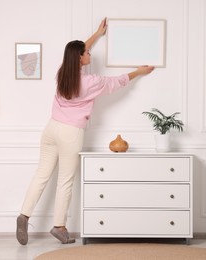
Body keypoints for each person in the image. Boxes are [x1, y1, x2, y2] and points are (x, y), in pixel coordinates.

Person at [16, 18, 155, 245]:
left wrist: (97, 34)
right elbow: (117, 81)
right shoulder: (90, 81)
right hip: (71, 132)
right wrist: (138, 72)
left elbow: (76, 50)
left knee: (41, 175)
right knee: (65, 180)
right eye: (87, 52)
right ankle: (59, 226)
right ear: (80, 58)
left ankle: (23, 215)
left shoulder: (62, 74)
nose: (90, 54)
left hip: (51, 129)